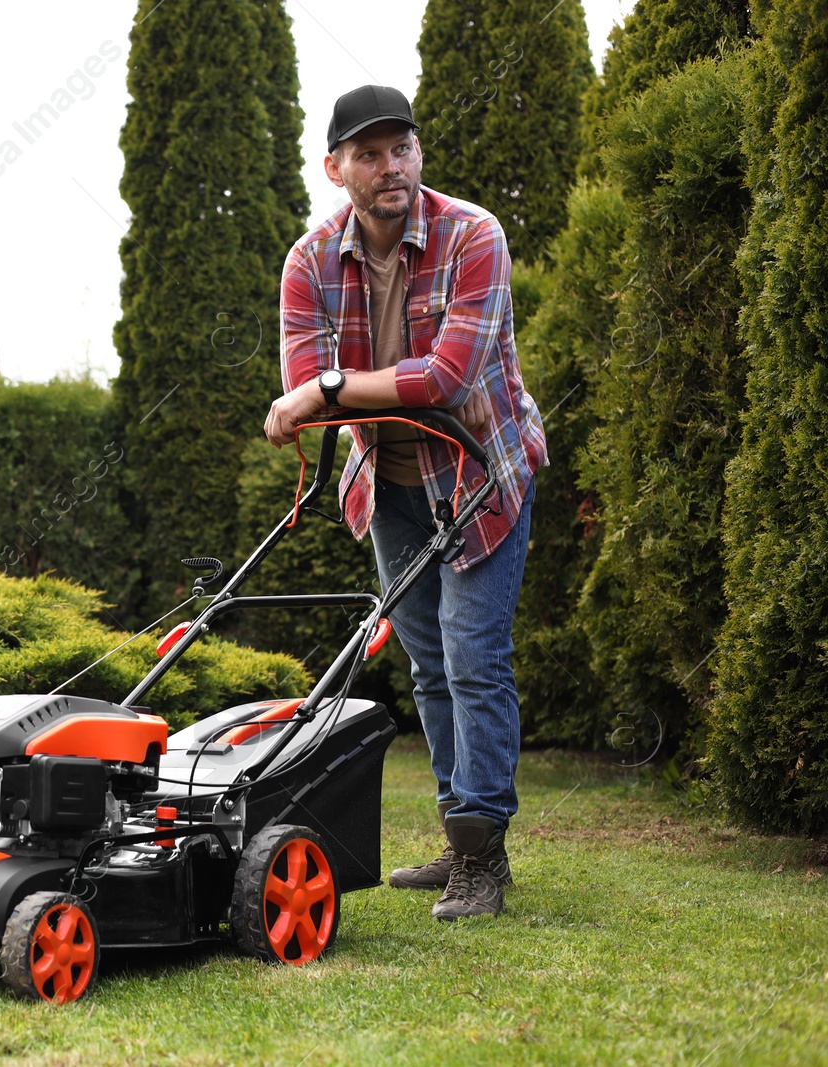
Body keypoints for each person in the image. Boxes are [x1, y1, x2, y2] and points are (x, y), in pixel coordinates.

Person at [263, 84, 548, 920]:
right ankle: (462, 837)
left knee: (473, 654)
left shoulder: (473, 235)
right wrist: (319, 393)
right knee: (427, 662)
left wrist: (331, 387)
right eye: (371, 153)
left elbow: (446, 380)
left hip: (480, 470)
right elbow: (298, 391)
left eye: (404, 148)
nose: (393, 167)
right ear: (335, 168)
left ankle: (482, 859)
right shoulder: (309, 262)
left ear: (419, 153)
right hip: (388, 482)